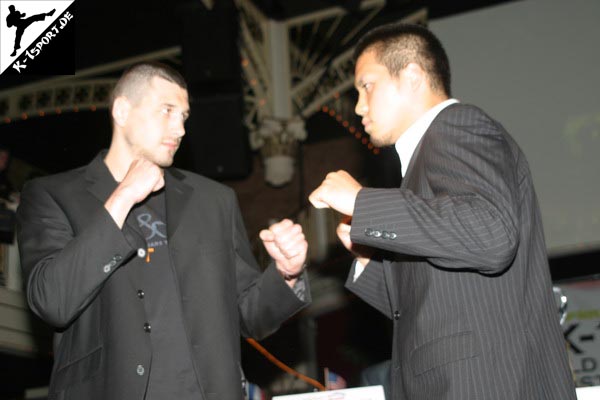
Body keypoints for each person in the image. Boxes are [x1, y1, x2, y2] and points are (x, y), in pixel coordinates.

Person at [309, 23, 576, 400]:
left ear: (413, 76)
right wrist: (366, 260)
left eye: (366, 86)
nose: (358, 106)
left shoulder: (455, 127)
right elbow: (422, 310)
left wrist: (361, 202)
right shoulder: (422, 169)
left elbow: (492, 235)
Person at [17, 62, 311, 399]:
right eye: (167, 111)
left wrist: (286, 275)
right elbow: (52, 301)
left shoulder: (213, 200)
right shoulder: (54, 195)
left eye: (184, 116)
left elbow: (248, 316)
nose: (180, 129)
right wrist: (122, 197)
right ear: (122, 111)